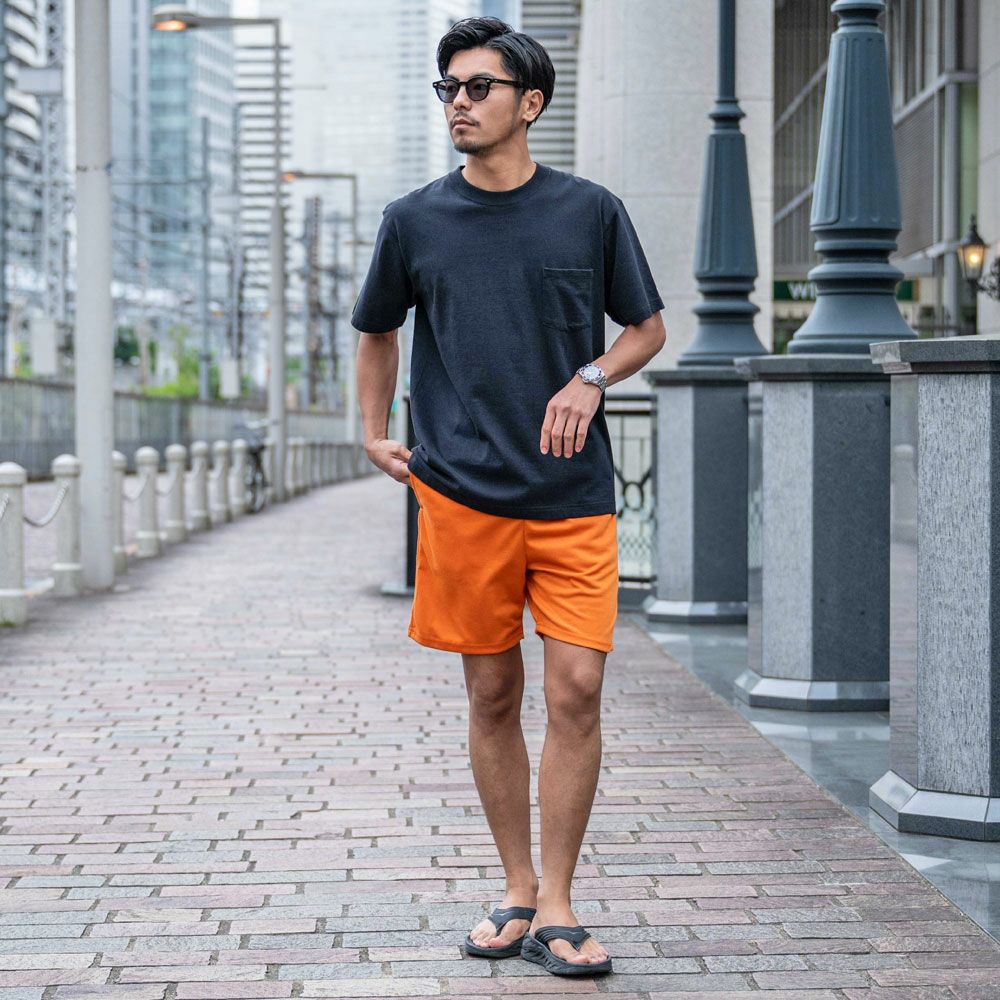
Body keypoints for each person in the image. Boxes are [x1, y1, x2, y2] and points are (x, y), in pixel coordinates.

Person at [352, 15, 665, 978]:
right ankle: (517, 887)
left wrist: (591, 378)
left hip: (573, 494)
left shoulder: (590, 211)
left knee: (577, 689)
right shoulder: (413, 220)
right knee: (492, 693)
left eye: (478, 87)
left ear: (530, 103)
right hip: (462, 495)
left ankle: (559, 904)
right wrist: (372, 430)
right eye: (448, 87)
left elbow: (646, 328)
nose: (459, 102)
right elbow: (377, 330)